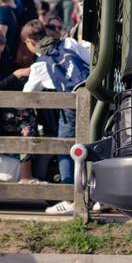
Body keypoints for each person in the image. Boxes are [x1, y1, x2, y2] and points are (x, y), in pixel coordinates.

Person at [19, 19, 89, 214]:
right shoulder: (69, 43)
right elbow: (88, 60)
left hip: (69, 108)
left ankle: (69, 199)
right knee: (93, 145)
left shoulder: (39, 65)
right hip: (92, 97)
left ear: (30, 41)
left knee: (64, 148)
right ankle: (97, 196)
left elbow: (26, 96)